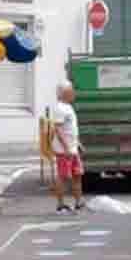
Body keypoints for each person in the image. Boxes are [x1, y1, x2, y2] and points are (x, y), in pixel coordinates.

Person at [49, 77, 85, 212]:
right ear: (64, 93)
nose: (74, 93)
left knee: (77, 174)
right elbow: (58, 129)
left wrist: (77, 143)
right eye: (71, 91)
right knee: (63, 177)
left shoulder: (68, 107)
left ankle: (79, 202)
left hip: (72, 148)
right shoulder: (60, 108)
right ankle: (60, 204)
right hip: (65, 151)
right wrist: (66, 148)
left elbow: (70, 129)